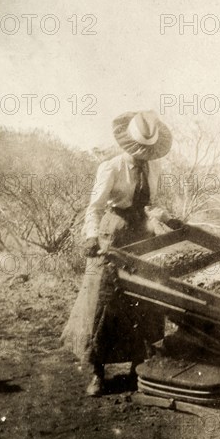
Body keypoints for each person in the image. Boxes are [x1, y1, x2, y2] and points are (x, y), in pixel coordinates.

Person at [61, 110, 173, 396]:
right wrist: (90, 236)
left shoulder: (155, 167)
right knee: (105, 301)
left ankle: (139, 367)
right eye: (140, 150)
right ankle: (97, 372)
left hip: (144, 236)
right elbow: (94, 208)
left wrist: (161, 216)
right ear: (129, 145)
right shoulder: (111, 167)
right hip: (115, 235)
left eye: (148, 151)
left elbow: (150, 202)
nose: (144, 155)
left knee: (146, 301)